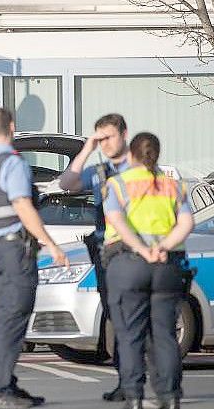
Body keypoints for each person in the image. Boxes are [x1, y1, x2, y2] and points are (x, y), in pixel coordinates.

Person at [0, 107, 68, 409]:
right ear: (11, 127)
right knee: (13, 317)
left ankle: (6, 382)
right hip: (16, 251)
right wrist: (50, 243)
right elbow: (22, 206)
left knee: (5, 316)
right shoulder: (13, 164)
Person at [102, 133, 194, 409]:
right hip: (167, 266)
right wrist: (163, 246)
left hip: (129, 264)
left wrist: (142, 249)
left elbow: (117, 221)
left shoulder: (118, 185)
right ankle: (170, 396)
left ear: (131, 155)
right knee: (164, 334)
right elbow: (187, 223)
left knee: (131, 334)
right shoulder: (174, 186)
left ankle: (134, 397)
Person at [59, 113, 131, 402]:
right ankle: (126, 380)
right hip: (106, 253)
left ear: (124, 134)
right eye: (100, 139)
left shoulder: (139, 167)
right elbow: (67, 183)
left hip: (135, 253)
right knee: (116, 317)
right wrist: (87, 148)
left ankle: (153, 381)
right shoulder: (99, 171)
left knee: (138, 318)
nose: (105, 144)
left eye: (108, 137)